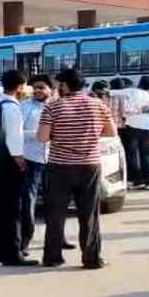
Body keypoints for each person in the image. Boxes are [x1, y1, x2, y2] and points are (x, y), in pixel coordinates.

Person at [38, 69, 115, 269]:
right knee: (89, 214)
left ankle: (52, 257)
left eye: (59, 84)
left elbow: (42, 137)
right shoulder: (98, 105)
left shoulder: (52, 107)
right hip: (89, 165)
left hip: (59, 166)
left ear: (64, 85)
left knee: (56, 213)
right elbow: (111, 131)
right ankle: (91, 258)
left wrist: (60, 135)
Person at [19, 75, 76, 255]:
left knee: (56, 202)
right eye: (35, 87)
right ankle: (24, 241)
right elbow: (18, 132)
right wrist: (40, 134)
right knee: (28, 201)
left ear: (51, 90)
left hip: (55, 160)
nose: (37, 90)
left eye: (41, 87)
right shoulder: (24, 107)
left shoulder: (60, 106)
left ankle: (59, 238)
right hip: (31, 160)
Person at [0, 70, 38, 267]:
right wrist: (20, 160)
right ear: (19, 87)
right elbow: (14, 137)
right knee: (12, 208)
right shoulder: (11, 107)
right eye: (25, 85)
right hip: (9, 161)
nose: (27, 90)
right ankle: (12, 253)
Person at [122, 75, 149, 189]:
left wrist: (136, 111)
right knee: (145, 156)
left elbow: (125, 111)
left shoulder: (132, 91)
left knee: (132, 155)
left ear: (140, 82)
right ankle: (148, 180)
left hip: (132, 127)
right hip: (146, 129)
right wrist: (141, 111)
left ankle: (137, 180)